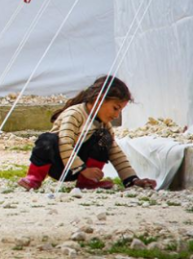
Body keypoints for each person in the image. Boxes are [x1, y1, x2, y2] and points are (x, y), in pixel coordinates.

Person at [18, 76, 157, 191]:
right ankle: (33, 179)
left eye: (120, 111)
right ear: (99, 99)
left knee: (104, 138)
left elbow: (115, 152)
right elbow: (64, 143)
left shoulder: (103, 124)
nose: (116, 115)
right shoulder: (74, 114)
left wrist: (132, 179)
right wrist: (82, 169)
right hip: (59, 165)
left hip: (81, 169)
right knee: (47, 139)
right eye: (115, 108)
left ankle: (88, 182)